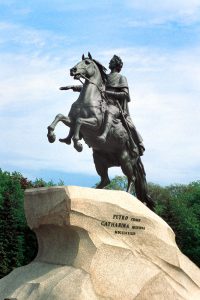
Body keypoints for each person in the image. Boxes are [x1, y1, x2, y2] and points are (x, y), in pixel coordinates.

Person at [97, 55, 145, 156]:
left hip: (115, 106)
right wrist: (75, 87)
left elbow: (125, 94)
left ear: (116, 64)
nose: (109, 63)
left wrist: (108, 93)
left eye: (112, 61)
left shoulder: (121, 78)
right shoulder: (104, 77)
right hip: (102, 104)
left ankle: (138, 143)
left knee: (112, 113)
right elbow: (94, 88)